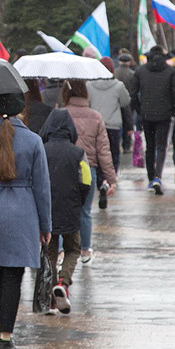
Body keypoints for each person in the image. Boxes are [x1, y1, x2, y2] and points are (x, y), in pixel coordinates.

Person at [0, 93, 51, 349]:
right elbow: (42, 188)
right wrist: (46, 224)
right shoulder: (33, 141)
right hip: (22, 214)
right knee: (12, 277)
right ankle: (6, 337)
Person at [40, 110, 92, 315]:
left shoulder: (42, 150)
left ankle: (52, 297)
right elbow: (86, 181)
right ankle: (64, 281)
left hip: (48, 210)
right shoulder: (78, 153)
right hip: (71, 208)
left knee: (50, 252)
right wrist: (78, 200)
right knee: (73, 249)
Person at [63, 80, 116, 264]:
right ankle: (85, 250)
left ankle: (62, 251)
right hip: (88, 168)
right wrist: (111, 178)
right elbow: (103, 150)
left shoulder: (62, 115)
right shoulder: (95, 117)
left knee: (63, 208)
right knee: (85, 211)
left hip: (64, 167)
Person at [129, 46, 175, 195]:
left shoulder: (141, 71)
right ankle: (158, 176)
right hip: (164, 114)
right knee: (161, 146)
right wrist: (173, 111)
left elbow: (132, 93)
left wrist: (140, 109)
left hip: (147, 114)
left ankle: (151, 178)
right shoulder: (170, 71)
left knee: (149, 146)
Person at [88, 56, 131, 178]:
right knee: (113, 152)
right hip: (113, 125)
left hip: (96, 125)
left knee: (97, 152)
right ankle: (112, 176)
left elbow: (88, 102)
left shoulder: (90, 85)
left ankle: (99, 177)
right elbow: (125, 101)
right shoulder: (118, 86)